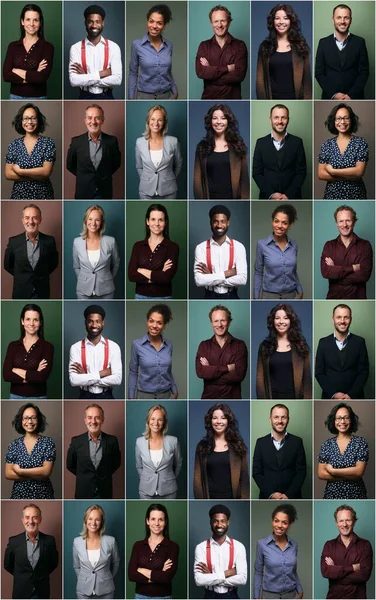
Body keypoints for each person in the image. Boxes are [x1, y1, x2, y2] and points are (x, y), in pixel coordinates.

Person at [194, 403, 249, 499]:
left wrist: (243, 499)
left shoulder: (238, 446)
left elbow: (244, 479)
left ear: (228, 421)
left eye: (223, 418)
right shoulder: (202, 447)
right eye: (215, 418)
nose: (219, 421)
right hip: (209, 498)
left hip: (233, 498)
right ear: (210, 421)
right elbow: (197, 480)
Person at [194, 103, 249, 200]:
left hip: (233, 198)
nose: (219, 122)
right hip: (209, 198)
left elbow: (244, 179)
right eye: (215, 118)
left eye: (223, 118)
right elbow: (197, 181)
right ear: (210, 121)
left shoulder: (238, 146)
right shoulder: (202, 147)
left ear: (228, 121)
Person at [256, 303, 312, 399]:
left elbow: (307, 379)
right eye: (277, 318)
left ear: (291, 321)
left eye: (285, 318)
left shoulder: (301, 346)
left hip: (296, 399)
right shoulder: (265, 346)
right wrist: (263, 401)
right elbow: (260, 379)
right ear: (272, 321)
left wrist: (307, 400)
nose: (281, 321)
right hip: (271, 398)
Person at [256, 3, 311, 100]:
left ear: (291, 21)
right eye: (277, 18)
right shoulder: (264, 47)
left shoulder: (301, 46)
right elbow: (260, 81)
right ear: (272, 21)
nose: (281, 22)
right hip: (271, 98)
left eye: (285, 18)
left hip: (296, 99)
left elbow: (307, 80)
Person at [66, 103, 121, 199]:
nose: (93, 122)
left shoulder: (112, 141)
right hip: (83, 192)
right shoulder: (76, 142)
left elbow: (116, 164)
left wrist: (103, 174)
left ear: (102, 120)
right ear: (85, 120)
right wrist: (84, 176)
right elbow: (70, 165)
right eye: (90, 118)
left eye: (97, 118)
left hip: (104, 192)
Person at [4, 203, 58, 299]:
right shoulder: (13, 242)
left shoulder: (49, 241)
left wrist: (40, 276)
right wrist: (22, 277)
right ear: (23, 220)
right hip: (21, 291)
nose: (31, 221)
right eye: (27, 218)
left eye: (34, 218)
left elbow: (53, 264)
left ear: (40, 220)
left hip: (42, 292)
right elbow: (7, 266)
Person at [66, 403, 121, 499]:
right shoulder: (76, 441)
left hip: (104, 492)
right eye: (90, 417)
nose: (93, 421)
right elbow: (70, 465)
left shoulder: (112, 441)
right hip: (83, 492)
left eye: (97, 418)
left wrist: (103, 474)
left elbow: (116, 463)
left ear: (102, 420)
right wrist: (84, 476)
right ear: (85, 420)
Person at [4, 503, 59, 599]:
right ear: (22, 520)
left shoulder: (50, 541)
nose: (31, 521)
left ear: (40, 520)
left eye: (34, 517)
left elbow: (53, 563)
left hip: (42, 593)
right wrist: (22, 576)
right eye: (27, 517)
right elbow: (7, 565)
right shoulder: (14, 542)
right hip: (21, 592)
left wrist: (40, 574)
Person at [252, 403, 307, 499]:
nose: (280, 421)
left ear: (288, 419)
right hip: (267, 498)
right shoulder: (260, 443)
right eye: (276, 417)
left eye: (283, 417)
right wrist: (271, 494)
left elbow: (301, 471)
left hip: (293, 497)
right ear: (270, 420)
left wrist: (288, 494)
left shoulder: (297, 442)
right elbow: (256, 472)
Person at [252, 104, 307, 199]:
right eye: (276, 117)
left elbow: (301, 172)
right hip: (267, 198)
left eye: (283, 118)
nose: (280, 121)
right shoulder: (260, 143)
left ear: (288, 120)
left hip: (293, 197)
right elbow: (257, 173)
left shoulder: (297, 142)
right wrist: (271, 194)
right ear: (270, 120)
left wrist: (288, 194)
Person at [315, 4, 370, 100]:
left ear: (351, 20)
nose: (342, 21)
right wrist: (334, 94)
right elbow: (319, 73)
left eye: (346, 18)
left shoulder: (360, 42)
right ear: (333, 20)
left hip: (355, 98)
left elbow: (364, 72)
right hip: (329, 98)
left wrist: (351, 95)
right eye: (339, 17)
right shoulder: (323, 43)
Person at [315, 303, 369, 399]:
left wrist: (351, 395)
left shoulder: (360, 342)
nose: (342, 321)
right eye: (339, 317)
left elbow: (364, 371)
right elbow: (319, 373)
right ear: (333, 320)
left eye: (346, 317)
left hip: (356, 397)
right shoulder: (323, 342)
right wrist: (334, 394)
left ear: (350, 320)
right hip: (329, 397)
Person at [194, 204, 247, 300]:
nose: (219, 225)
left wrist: (210, 277)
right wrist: (228, 273)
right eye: (216, 221)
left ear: (228, 223)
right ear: (211, 223)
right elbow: (199, 281)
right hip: (209, 296)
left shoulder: (238, 247)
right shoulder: (201, 248)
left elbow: (242, 279)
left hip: (232, 296)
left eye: (223, 221)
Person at [69, 4, 122, 99]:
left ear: (103, 23)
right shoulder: (75, 48)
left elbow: (117, 79)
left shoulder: (113, 47)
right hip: (84, 96)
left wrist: (86, 77)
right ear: (85, 23)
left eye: (97, 22)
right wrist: (102, 74)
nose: (94, 25)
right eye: (90, 22)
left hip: (107, 96)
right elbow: (74, 81)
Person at [69, 304, 122, 400]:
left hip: (107, 396)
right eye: (90, 321)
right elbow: (74, 381)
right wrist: (102, 374)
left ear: (103, 323)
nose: (94, 325)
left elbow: (117, 379)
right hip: (84, 396)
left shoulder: (113, 347)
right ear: (85, 322)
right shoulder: (75, 348)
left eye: (97, 321)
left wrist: (85, 377)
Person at [194, 503, 247, 598]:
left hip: (231, 596)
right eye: (216, 521)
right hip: (210, 596)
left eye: (223, 521)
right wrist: (227, 573)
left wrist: (211, 576)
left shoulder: (239, 546)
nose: (219, 525)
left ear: (228, 523)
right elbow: (199, 580)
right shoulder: (201, 547)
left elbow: (242, 579)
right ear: (210, 522)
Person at [195, 4, 248, 100]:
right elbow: (201, 73)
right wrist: (228, 68)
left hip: (233, 100)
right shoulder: (204, 46)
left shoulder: (240, 45)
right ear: (211, 23)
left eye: (223, 21)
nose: (219, 25)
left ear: (229, 22)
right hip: (208, 99)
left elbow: (240, 75)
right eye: (216, 21)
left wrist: (211, 71)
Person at [321, 205, 373, 299]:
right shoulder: (329, 246)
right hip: (333, 298)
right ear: (336, 223)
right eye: (341, 221)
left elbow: (364, 275)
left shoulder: (365, 245)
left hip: (358, 299)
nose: (344, 225)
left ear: (354, 222)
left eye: (348, 220)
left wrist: (336, 272)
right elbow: (326, 272)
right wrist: (353, 268)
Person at [321, 504, 373, 599]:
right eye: (341, 521)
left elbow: (364, 575)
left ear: (354, 522)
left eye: (348, 520)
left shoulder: (365, 545)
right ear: (336, 523)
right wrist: (353, 567)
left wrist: (336, 571)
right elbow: (326, 572)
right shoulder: (329, 545)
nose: (344, 524)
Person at [196, 305, 248, 399]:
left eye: (223, 320)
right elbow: (200, 372)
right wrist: (228, 368)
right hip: (208, 399)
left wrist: (211, 372)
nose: (219, 325)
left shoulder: (240, 345)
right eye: (216, 321)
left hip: (233, 399)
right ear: (211, 323)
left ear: (229, 322)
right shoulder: (204, 346)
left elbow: (239, 375)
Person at [3, 3, 54, 100]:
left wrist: (17, 71)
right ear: (22, 21)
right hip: (14, 97)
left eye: (35, 20)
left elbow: (41, 78)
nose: (31, 24)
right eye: (28, 19)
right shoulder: (13, 46)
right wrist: (34, 74)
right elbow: (6, 75)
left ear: (40, 22)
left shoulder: (47, 47)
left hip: (39, 97)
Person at [128, 203, 179, 300]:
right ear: (147, 221)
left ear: (165, 222)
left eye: (161, 220)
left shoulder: (173, 247)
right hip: (139, 297)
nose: (157, 224)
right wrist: (159, 274)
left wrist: (143, 271)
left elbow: (166, 278)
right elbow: (131, 275)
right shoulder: (138, 246)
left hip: (164, 297)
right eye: (153, 219)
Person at [5, 103, 56, 200]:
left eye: (33, 118)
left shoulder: (48, 143)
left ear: (38, 120)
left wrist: (20, 171)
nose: (30, 122)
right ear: (21, 121)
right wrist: (37, 176)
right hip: (19, 195)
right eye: (26, 118)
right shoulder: (14, 145)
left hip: (43, 194)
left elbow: (46, 172)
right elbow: (8, 174)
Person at [318, 103, 369, 200]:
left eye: (346, 118)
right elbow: (321, 174)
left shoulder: (360, 143)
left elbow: (359, 172)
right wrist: (350, 176)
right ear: (333, 121)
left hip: (356, 194)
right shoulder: (327, 144)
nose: (342, 122)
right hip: (332, 195)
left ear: (351, 120)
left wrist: (332, 171)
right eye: (338, 118)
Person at [3, 303, 54, 400]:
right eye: (28, 319)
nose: (31, 324)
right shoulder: (13, 346)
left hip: (39, 397)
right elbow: (6, 375)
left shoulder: (47, 347)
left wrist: (17, 371)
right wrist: (34, 374)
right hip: (14, 397)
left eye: (36, 320)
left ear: (40, 322)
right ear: (22, 321)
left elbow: (42, 377)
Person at [128, 503, 179, 599]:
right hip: (140, 596)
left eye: (161, 519)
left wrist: (142, 570)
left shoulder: (173, 547)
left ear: (166, 522)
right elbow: (131, 575)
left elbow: (166, 577)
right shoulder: (138, 546)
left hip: (163, 597)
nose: (156, 523)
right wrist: (159, 573)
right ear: (147, 521)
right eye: (153, 519)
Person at [318, 403, 368, 500]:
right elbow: (321, 473)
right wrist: (350, 475)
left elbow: (359, 472)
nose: (342, 421)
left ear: (351, 420)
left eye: (346, 417)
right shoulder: (327, 444)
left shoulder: (360, 442)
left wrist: (333, 471)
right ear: (334, 421)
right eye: (338, 418)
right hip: (332, 495)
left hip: (356, 494)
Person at [5, 403, 55, 500]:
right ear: (21, 420)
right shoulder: (14, 444)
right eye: (26, 418)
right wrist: (37, 475)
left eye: (33, 418)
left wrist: (20, 471)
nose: (29, 421)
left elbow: (46, 472)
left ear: (38, 420)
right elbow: (8, 473)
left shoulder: (48, 442)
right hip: (19, 495)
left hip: (43, 494)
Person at [128, 4, 178, 100]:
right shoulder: (137, 45)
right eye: (151, 21)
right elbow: (133, 73)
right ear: (147, 21)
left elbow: (168, 72)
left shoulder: (169, 45)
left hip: (166, 95)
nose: (154, 26)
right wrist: (130, 97)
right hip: (144, 96)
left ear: (164, 25)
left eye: (159, 23)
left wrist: (175, 92)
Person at [128, 304, 178, 399]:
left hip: (166, 394)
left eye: (159, 323)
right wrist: (131, 396)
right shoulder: (137, 344)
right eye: (151, 321)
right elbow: (133, 372)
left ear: (164, 325)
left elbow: (168, 371)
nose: (154, 326)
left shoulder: (169, 345)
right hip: (144, 395)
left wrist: (174, 390)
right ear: (147, 322)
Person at [254, 504, 303, 599]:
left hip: (291, 595)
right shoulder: (262, 544)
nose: (279, 525)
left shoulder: (294, 544)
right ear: (272, 521)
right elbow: (258, 572)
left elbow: (293, 571)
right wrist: (256, 597)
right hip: (269, 595)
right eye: (276, 521)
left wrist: (300, 591)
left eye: (284, 522)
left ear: (290, 524)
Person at [254, 204, 303, 299]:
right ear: (272, 221)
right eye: (276, 221)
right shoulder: (262, 244)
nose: (279, 226)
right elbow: (258, 272)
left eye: (284, 223)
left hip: (290, 294)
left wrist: (300, 290)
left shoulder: (294, 245)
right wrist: (256, 297)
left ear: (290, 225)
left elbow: (293, 271)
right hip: (269, 295)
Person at [73, 204, 120, 300]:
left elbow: (116, 264)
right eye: (90, 219)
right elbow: (76, 266)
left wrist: (107, 278)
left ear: (102, 222)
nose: (93, 223)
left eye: (97, 220)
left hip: (106, 290)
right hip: (83, 290)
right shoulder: (77, 242)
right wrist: (85, 280)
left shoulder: (111, 241)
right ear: (85, 221)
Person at [135, 105, 182, 200]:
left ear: (164, 122)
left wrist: (168, 179)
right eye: (153, 119)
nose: (156, 123)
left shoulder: (173, 141)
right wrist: (147, 180)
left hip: (169, 190)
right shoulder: (139, 142)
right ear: (148, 121)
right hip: (146, 190)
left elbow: (178, 165)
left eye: (160, 120)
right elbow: (139, 166)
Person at [73, 504, 120, 600]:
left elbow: (116, 564)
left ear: (102, 522)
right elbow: (76, 566)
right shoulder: (77, 542)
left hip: (106, 590)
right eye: (90, 519)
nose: (93, 523)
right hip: (83, 591)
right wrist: (85, 579)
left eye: (97, 519)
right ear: (85, 520)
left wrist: (106, 578)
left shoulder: (111, 541)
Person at [135, 404, 182, 499]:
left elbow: (178, 464)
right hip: (146, 491)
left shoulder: (173, 441)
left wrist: (168, 479)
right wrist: (147, 480)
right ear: (148, 421)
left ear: (164, 422)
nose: (156, 423)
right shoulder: (139, 442)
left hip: (169, 490)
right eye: (153, 419)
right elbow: (139, 466)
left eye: (160, 419)